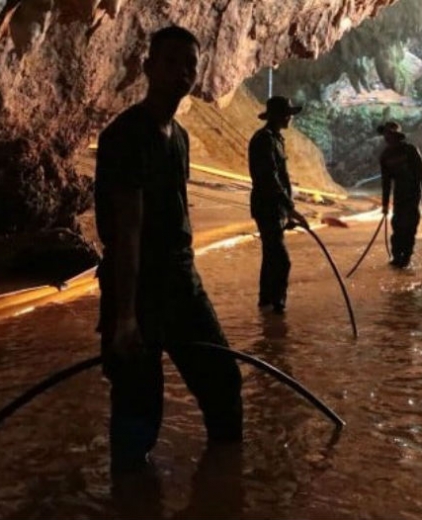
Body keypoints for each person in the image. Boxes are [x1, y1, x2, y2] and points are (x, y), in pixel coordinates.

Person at [94, 25, 243, 473]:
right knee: (140, 408)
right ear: (148, 68)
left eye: (190, 65)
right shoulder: (126, 134)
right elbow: (127, 227)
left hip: (182, 282)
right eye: (171, 61)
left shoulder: (178, 137)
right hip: (138, 286)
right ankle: (130, 494)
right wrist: (124, 317)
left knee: (223, 381)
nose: (182, 72)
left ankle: (225, 490)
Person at [248, 96, 309, 314]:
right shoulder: (264, 139)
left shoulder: (276, 139)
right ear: (279, 116)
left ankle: (265, 304)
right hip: (267, 207)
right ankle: (277, 307)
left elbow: (279, 178)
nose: (290, 118)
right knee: (282, 261)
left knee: (271, 256)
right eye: (288, 114)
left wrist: (286, 211)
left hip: (275, 207)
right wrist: (291, 208)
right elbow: (270, 179)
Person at [378, 121, 422, 267]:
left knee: (410, 226)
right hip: (399, 195)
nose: (386, 137)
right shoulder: (385, 156)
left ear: (396, 136)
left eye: (389, 134)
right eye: (385, 134)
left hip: (414, 193)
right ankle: (396, 257)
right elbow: (386, 182)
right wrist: (384, 204)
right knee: (397, 225)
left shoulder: (410, 150)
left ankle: (406, 257)